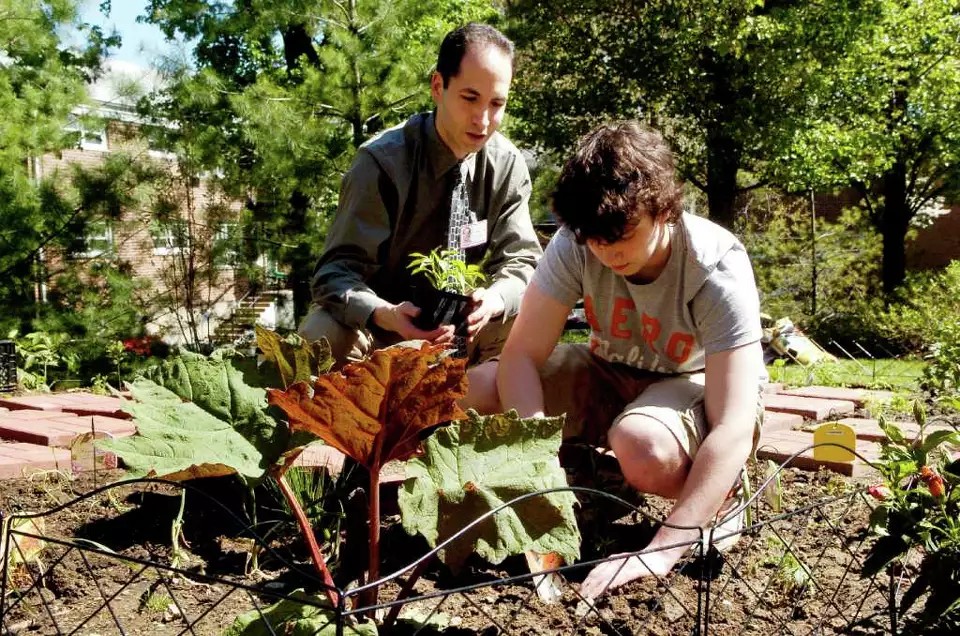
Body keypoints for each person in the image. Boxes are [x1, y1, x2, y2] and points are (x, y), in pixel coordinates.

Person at [464, 121, 765, 599]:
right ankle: (591, 477)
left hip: (693, 384)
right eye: (594, 239)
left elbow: (733, 425)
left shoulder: (714, 265)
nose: (607, 252)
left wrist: (663, 550)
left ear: (663, 209)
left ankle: (719, 498)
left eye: (621, 235)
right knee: (477, 390)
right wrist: (537, 457)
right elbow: (520, 355)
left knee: (643, 447)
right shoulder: (578, 241)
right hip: (608, 368)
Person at [299, 23, 542, 368]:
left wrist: (495, 301)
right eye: (470, 98)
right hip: (381, 330)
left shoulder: (506, 165)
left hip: (463, 328)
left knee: (526, 321)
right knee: (319, 336)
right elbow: (333, 274)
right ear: (438, 86)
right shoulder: (381, 162)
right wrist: (386, 314)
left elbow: (523, 262)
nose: (483, 119)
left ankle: (479, 416)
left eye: (496, 103)